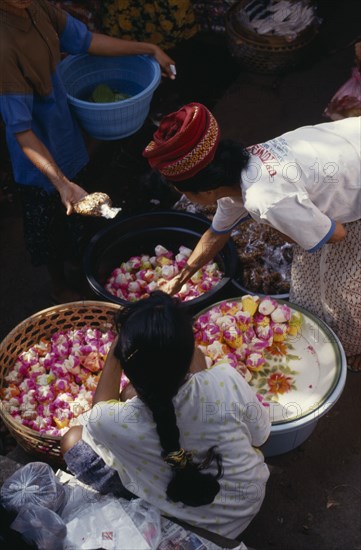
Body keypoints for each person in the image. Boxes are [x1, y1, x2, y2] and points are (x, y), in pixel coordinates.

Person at [142, 103, 361, 371]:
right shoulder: (241, 169)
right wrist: (179, 279)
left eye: (183, 192)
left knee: (345, 288)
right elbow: (216, 233)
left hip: (353, 196)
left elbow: (337, 235)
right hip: (351, 141)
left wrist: (286, 228)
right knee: (312, 278)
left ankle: (348, 350)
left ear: (203, 192)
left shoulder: (263, 199)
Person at [0, 0, 176, 303]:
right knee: (47, 229)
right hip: (38, 162)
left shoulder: (37, 9)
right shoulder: (4, 46)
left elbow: (86, 40)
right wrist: (60, 182)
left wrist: (147, 48)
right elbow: (22, 131)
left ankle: (81, 270)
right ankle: (59, 284)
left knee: (76, 219)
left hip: (65, 134)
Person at [61, 291, 271, 540]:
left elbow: (99, 409)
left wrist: (117, 351)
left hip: (185, 529)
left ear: (125, 362)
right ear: (190, 351)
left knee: (72, 439)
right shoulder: (225, 380)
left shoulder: (109, 423)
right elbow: (261, 437)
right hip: (245, 505)